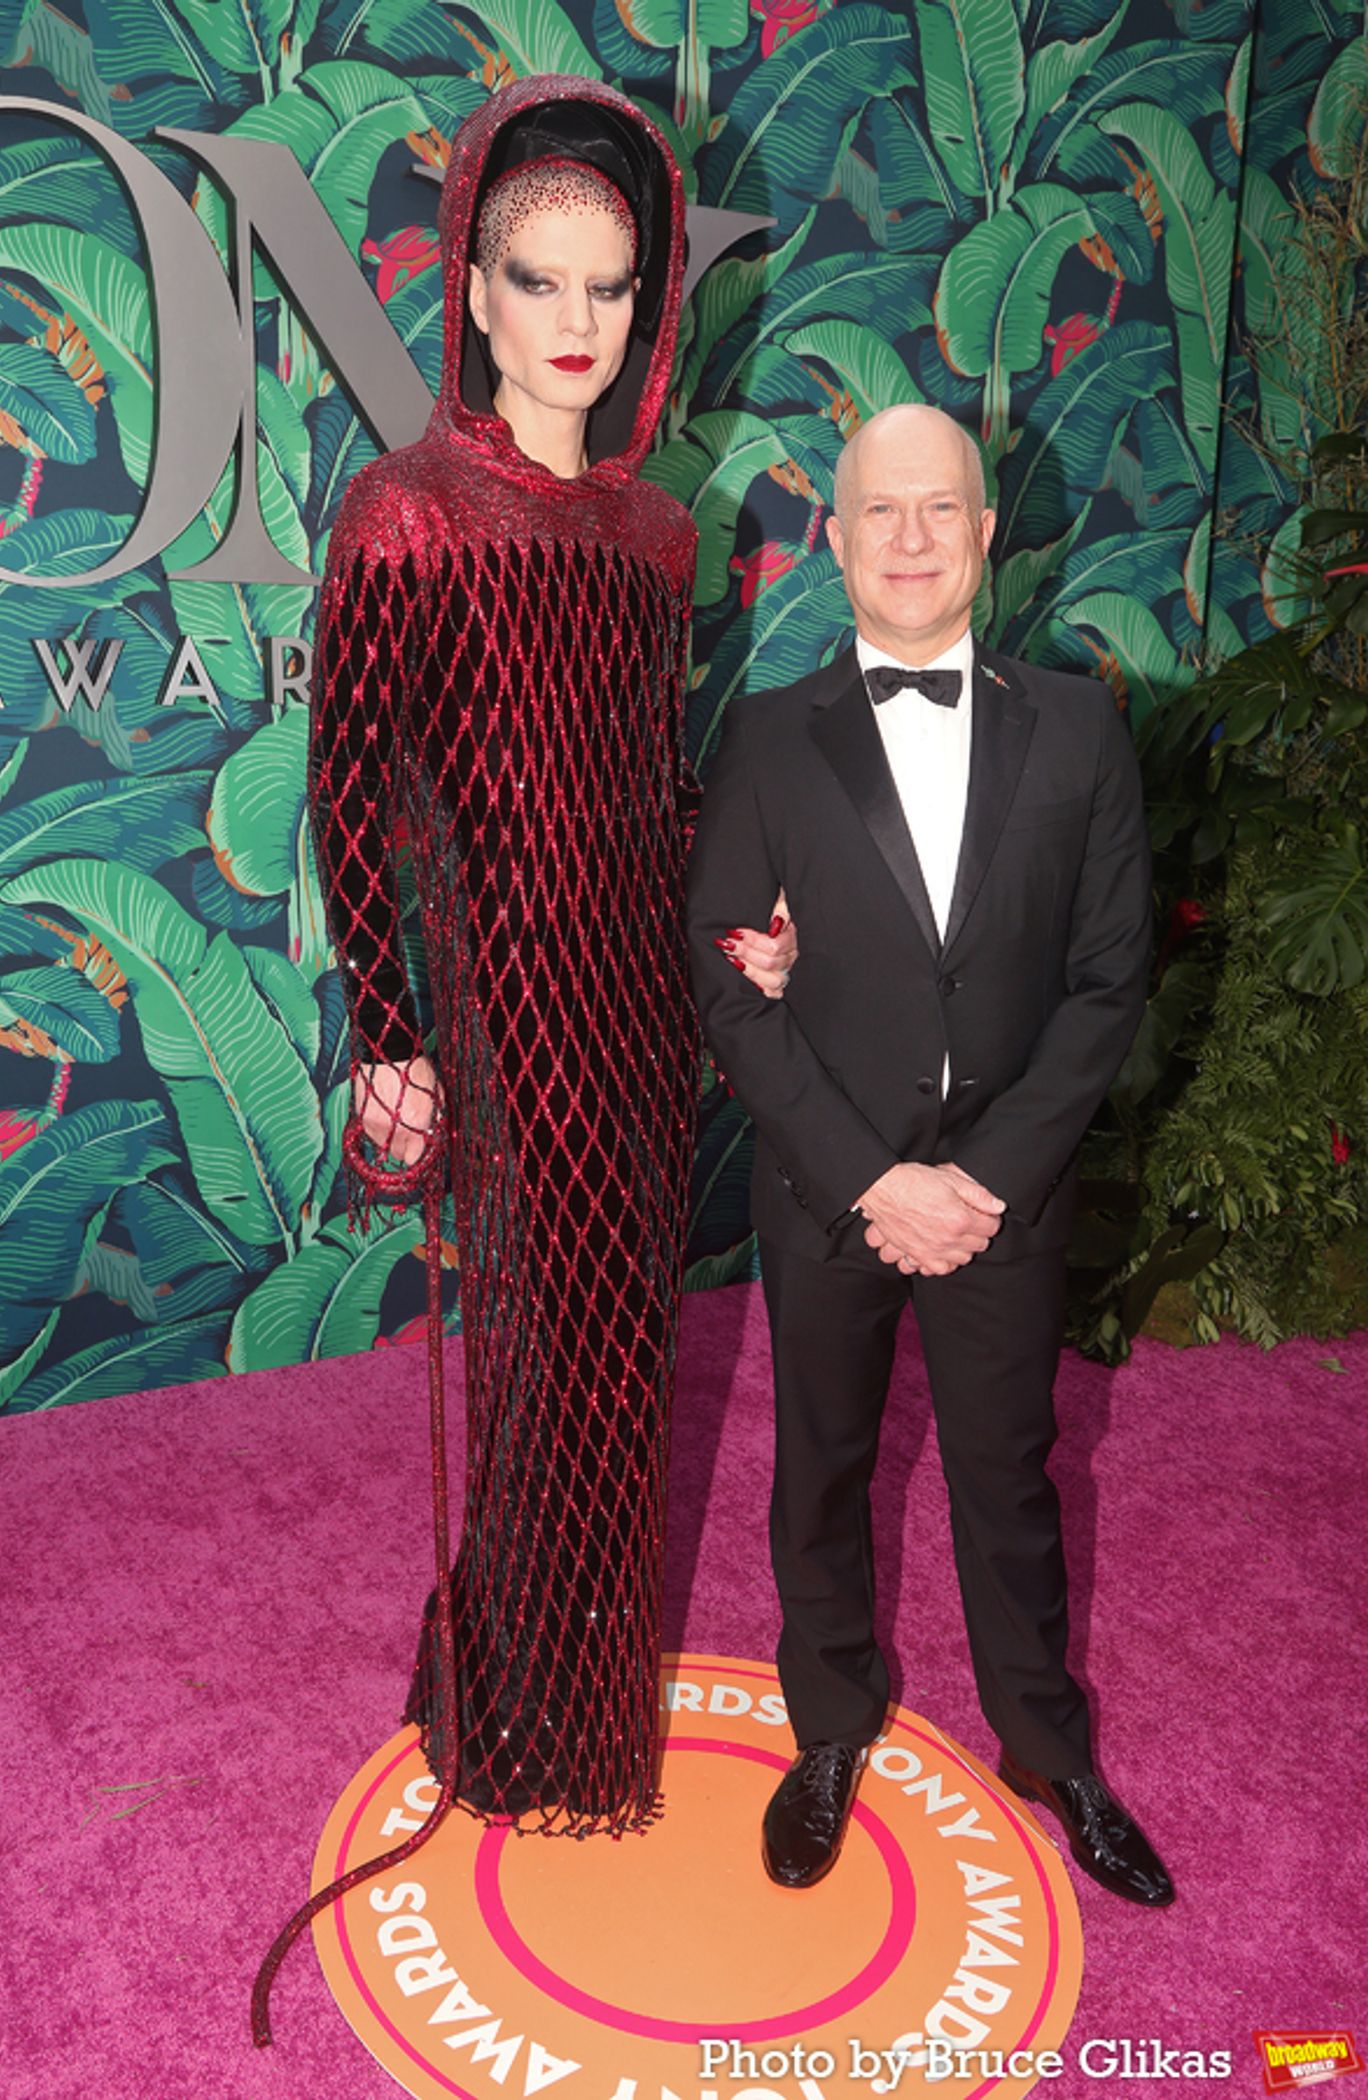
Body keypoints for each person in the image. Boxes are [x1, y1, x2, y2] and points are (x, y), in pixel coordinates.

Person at [253, 75, 793, 2045]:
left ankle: (525, 1695)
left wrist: (729, 939)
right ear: (472, 289)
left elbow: (657, 792)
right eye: (535, 278)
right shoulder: (406, 513)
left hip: (640, 1007)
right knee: (546, 1363)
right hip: (501, 1003)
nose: (575, 319)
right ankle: (521, 1726)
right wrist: (388, 1033)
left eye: (612, 284)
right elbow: (349, 798)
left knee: (620, 1357)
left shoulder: (657, 533)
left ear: (646, 306)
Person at [686, 403, 1174, 1908]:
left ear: (982, 530)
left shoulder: (1082, 728)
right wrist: (870, 1175)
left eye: (938, 510)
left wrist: (988, 1179)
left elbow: (1108, 984)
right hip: (831, 1190)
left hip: (1002, 1201)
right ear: (831, 541)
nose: (909, 539)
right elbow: (723, 980)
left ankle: (1049, 1742)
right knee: (820, 1470)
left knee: (1009, 1475)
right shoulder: (767, 738)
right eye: (877, 513)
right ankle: (827, 1725)